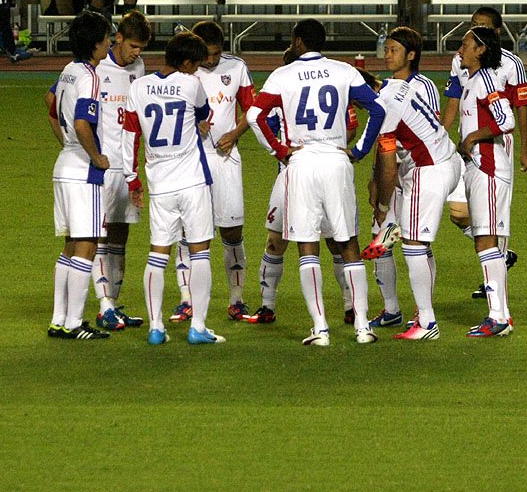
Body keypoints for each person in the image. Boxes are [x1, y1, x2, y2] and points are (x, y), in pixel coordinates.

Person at [247, 19, 386, 346]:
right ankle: (362, 326)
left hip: (302, 163)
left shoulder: (282, 75)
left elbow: (254, 116)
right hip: (337, 161)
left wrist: (280, 150)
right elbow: (378, 109)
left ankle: (320, 328)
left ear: (298, 41)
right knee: (348, 243)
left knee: (307, 245)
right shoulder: (343, 70)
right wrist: (359, 150)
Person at [245, 48, 362, 326]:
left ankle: (351, 306)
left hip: (322, 171)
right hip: (289, 176)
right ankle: (267, 305)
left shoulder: (331, 92)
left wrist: (326, 145)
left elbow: (350, 127)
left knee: (335, 241)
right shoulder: (278, 98)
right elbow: (262, 124)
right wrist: (281, 151)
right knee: (276, 241)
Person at [121, 32, 224, 345]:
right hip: (192, 181)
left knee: (158, 253)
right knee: (200, 251)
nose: (198, 69)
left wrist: (132, 179)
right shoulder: (191, 84)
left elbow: (130, 135)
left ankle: (155, 327)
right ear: (186, 63)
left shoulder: (138, 87)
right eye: (196, 64)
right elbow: (204, 115)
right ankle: (198, 327)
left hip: (160, 184)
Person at [368, 26, 460, 340]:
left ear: (411, 55)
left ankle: (426, 319)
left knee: (415, 244)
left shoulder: (414, 90)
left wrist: (383, 197)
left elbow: (398, 154)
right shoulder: (390, 88)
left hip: (423, 169)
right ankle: (392, 309)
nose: (387, 54)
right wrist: (377, 182)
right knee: (384, 239)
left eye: (393, 49)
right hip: (414, 169)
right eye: (386, 49)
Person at [441, 7, 527, 298]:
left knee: (494, 219)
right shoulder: (461, 60)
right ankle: (499, 258)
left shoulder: (511, 64)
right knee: (459, 214)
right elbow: (453, 101)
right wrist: (440, 136)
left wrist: (526, 150)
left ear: (496, 32)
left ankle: (495, 287)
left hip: (495, 145)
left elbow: (518, 109)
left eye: (483, 25)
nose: (475, 29)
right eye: (473, 25)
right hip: (466, 146)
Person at [170, 21, 255, 322]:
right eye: (205, 54)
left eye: (216, 54)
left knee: (232, 231)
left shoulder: (237, 67)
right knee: (188, 231)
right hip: (190, 159)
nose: (210, 60)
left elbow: (252, 109)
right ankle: (186, 300)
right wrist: (194, 123)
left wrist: (234, 134)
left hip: (225, 159)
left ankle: (237, 299)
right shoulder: (183, 71)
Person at [47, 11, 115, 340]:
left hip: (64, 166)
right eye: (106, 37)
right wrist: (95, 156)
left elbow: (50, 104)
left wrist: (68, 144)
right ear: (95, 43)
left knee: (71, 247)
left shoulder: (67, 71)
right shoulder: (89, 76)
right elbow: (81, 122)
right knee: (87, 245)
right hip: (82, 171)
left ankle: (59, 319)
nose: (110, 42)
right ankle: (74, 322)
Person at [87, 9, 152, 331]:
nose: (137, 53)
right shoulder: (96, 67)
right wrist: (79, 148)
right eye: (133, 46)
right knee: (97, 233)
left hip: (127, 166)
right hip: (101, 165)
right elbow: (53, 101)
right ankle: (104, 306)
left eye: (141, 48)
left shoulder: (138, 68)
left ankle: (112, 304)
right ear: (119, 38)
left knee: (120, 233)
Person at [456, 26, 516, 337]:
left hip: (489, 168)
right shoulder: (473, 81)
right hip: (477, 168)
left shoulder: (488, 80)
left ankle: (498, 317)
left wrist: (472, 138)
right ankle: (501, 316)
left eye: (466, 44)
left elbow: (507, 120)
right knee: (485, 241)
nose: (460, 50)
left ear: (481, 49)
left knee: (486, 242)